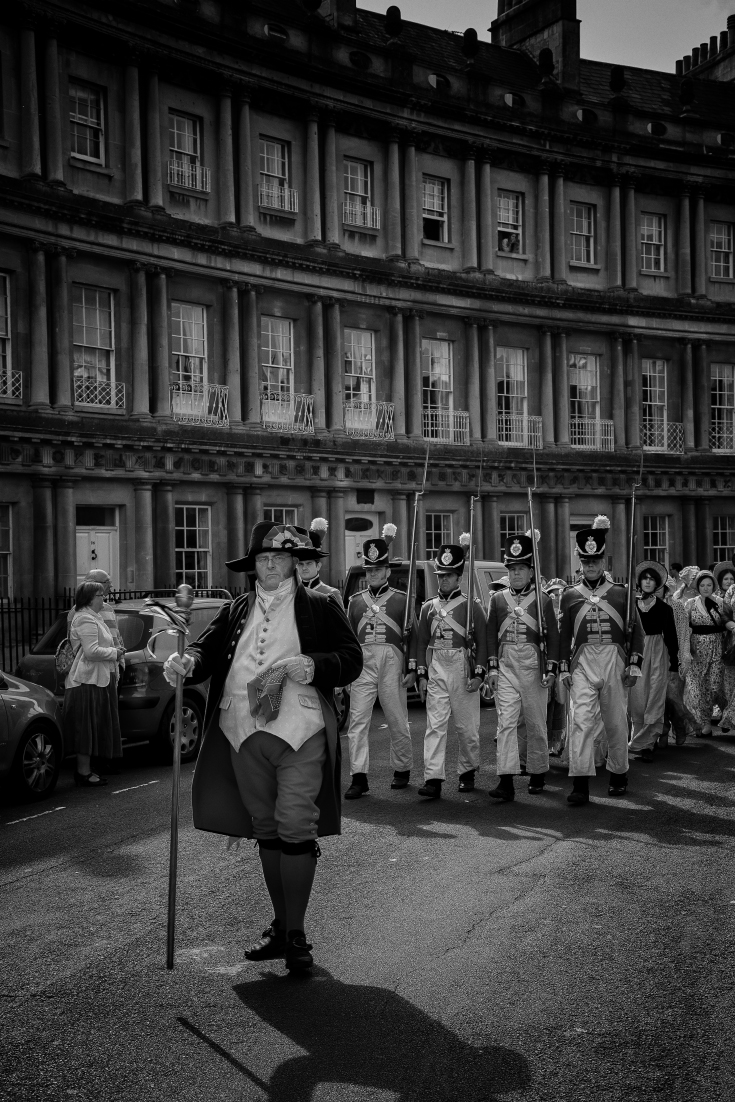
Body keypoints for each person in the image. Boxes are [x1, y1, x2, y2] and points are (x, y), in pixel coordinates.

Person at [164, 521, 362, 973]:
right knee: (267, 826)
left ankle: (296, 934)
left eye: (280, 558)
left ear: (296, 563)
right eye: (263, 559)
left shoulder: (320, 605)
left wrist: (314, 664)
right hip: (241, 733)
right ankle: (281, 924)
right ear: (253, 566)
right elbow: (203, 652)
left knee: (296, 823)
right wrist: (184, 662)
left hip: (301, 730)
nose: (270, 565)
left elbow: (352, 659)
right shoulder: (236, 609)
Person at [558, 515, 644, 805]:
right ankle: (580, 782)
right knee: (580, 721)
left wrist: (633, 662)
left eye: (595, 560)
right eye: (586, 560)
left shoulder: (621, 593)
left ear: (603, 561)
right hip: (582, 660)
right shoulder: (569, 595)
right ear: (580, 562)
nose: (590, 565)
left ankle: (619, 773)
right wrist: (560, 667)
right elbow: (562, 635)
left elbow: (637, 632)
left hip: (614, 659)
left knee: (615, 721)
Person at [343, 525, 417, 798]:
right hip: (363, 663)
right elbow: (349, 638)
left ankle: (402, 768)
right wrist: (349, 672)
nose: (373, 574)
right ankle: (359, 776)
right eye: (369, 570)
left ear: (387, 571)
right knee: (358, 721)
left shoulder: (402, 600)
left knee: (397, 717)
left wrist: (412, 667)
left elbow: (414, 636)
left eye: (378, 569)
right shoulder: (354, 602)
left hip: (392, 661)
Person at [486, 533, 559, 801]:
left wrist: (551, 669)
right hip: (506, 665)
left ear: (530, 571)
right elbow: (490, 634)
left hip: (533, 666)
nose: (516, 574)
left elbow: (553, 635)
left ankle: (538, 772)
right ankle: (505, 779)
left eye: (520, 569)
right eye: (512, 569)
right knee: (505, 723)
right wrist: (492, 669)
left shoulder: (543, 600)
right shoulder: (497, 599)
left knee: (536, 722)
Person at [415, 536, 488, 799]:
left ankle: (467, 771)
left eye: (449, 576)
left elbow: (484, 642)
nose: (443, 580)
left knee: (467, 727)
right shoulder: (428, 608)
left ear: (459, 578)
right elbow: (421, 642)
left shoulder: (472, 608)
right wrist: (422, 675)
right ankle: (433, 778)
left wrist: (479, 674)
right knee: (435, 726)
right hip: (436, 667)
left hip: (461, 666)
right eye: (440, 575)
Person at [63, 581, 125, 787]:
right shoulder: (84, 619)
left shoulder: (94, 617)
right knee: (85, 727)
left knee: (93, 726)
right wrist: (115, 653)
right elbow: (91, 652)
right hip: (86, 680)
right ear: (89, 598)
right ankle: (83, 772)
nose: (104, 598)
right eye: (100, 595)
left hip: (97, 679)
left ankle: (88, 769)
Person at [627, 561, 679, 763]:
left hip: (658, 654)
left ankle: (647, 745)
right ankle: (637, 740)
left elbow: (672, 638)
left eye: (652, 579)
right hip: (636, 654)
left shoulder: (665, 609)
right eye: (645, 578)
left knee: (655, 698)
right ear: (639, 582)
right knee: (637, 699)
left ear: (657, 583)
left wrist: (674, 665)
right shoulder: (630, 607)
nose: (648, 581)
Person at [683, 569, 732, 738]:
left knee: (715, 686)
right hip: (696, 650)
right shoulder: (689, 603)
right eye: (702, 585)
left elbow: (727, 622)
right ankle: (705, 724)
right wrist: (686, 650)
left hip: (717, 648)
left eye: (709, 584)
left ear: (714, 585)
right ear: (697, 586)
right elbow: (683, 628)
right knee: (697, 689)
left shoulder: (721, 602)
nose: (705, 588)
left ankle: (726, 717)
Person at [297, 518, 342, 599]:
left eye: (309, 563)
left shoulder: (331, 594)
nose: (304, 568)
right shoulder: (291, 593)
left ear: (318, 566)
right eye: (300, 564)